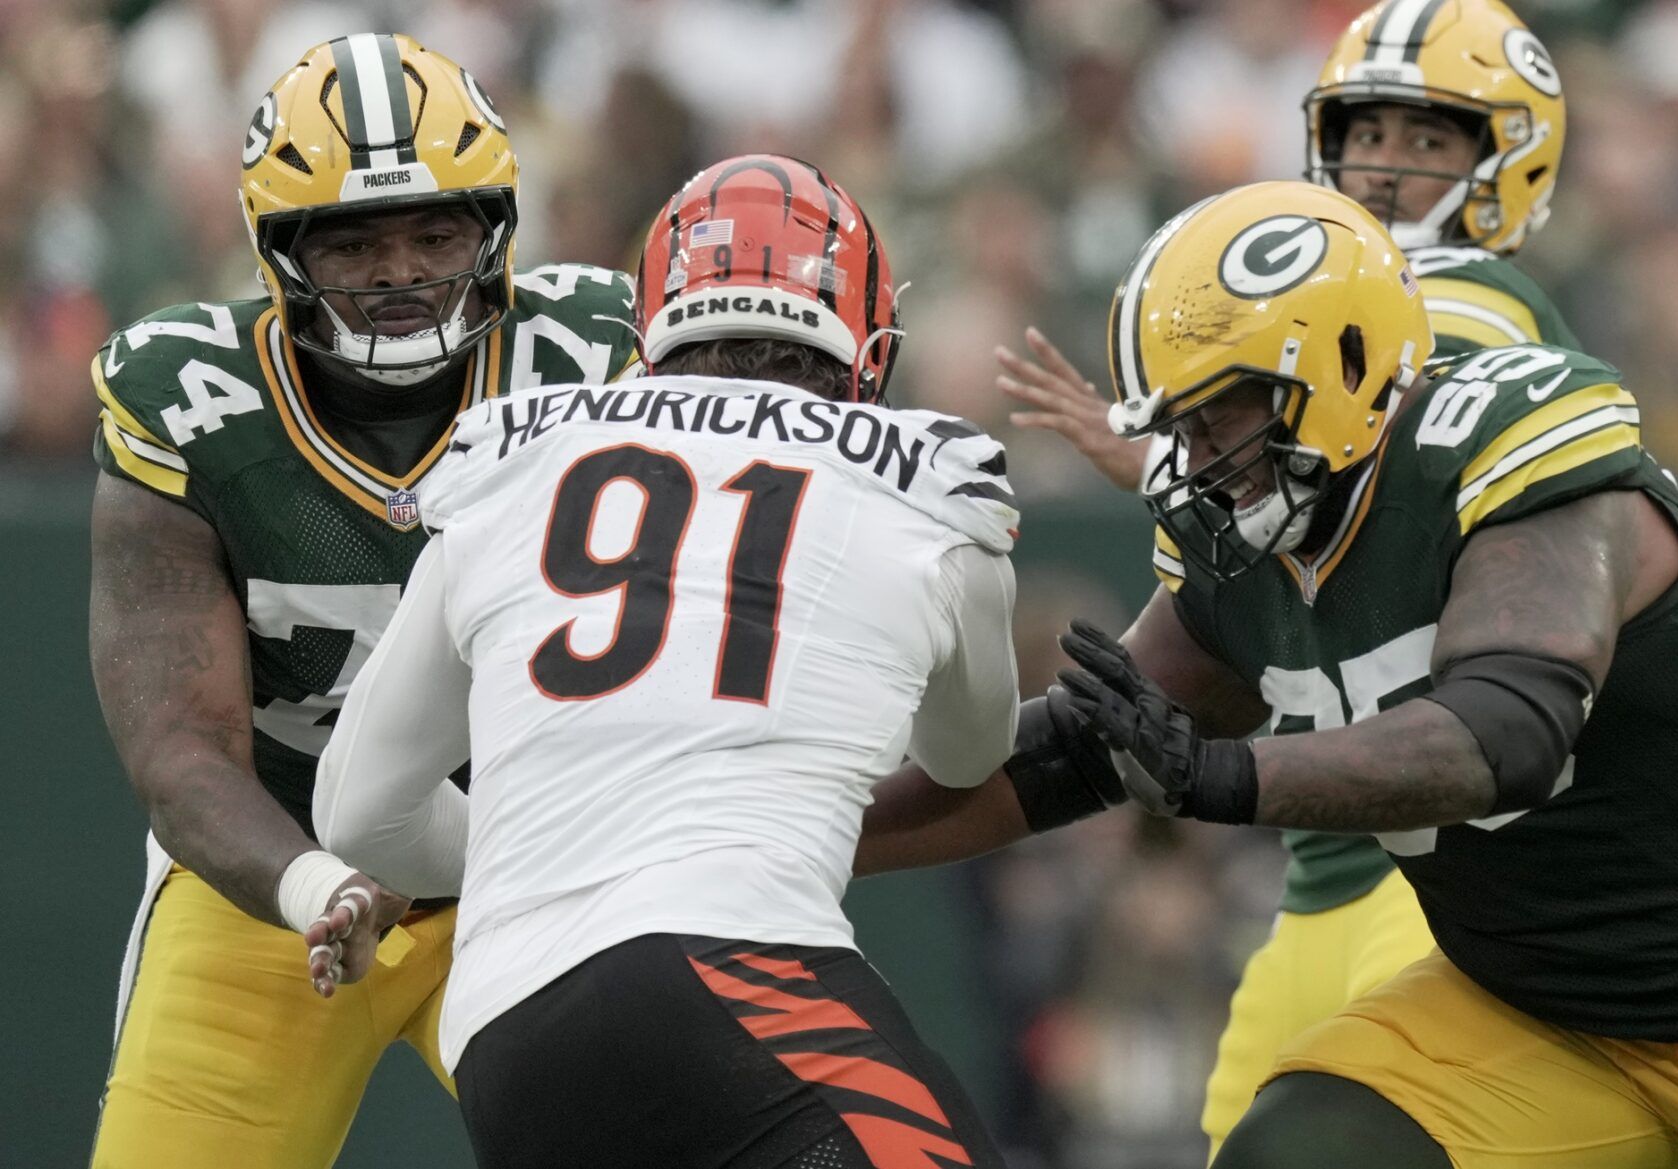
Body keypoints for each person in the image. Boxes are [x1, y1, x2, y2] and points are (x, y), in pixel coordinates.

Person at [1030, 180, 1678, 1166]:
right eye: (1179, 422)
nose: (1196, 454)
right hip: (1537, 1007)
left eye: (1221, 410)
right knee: (1303, 1153)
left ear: (1349, 364)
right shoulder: (1256, 545)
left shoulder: (1517, 443)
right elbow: (1068, 749)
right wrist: (831, 820)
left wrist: (1227, 777)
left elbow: (1506, 733)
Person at [307, 154, 1019, 1169]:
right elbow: (970, 753)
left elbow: (357, 812)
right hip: (734, 961)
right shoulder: (922, 492)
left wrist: (543, 837)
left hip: (507, 1045)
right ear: (874, 345)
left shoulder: (511, 466)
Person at [994, 0, 1583, 1153]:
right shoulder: (1319, 331)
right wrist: (1196, 447)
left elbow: (1390, 412)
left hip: (1450, 854)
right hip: (1326, 861)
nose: (1388, 169)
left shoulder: (1476, 308)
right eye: (1371, 135)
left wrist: (1185, 443)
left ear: (1509, 162)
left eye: (1431, 142)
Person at [87, 33, 637, 1168]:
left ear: (493, 231)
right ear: (278, 249)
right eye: (353, 240)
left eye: (436, 230)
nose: (400, 270)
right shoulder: (192, 403)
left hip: (532, 871)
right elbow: (182, 752)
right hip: (273, 884)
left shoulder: (597, 360)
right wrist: (315, 885)